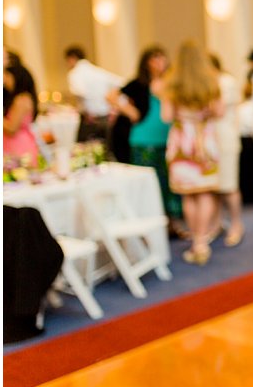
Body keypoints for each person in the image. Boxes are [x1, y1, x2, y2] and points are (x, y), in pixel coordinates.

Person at [109, 45, 184, 235]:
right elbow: (111, 95)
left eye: (161, 57)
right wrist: (130, 112)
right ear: (146, 63)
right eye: (154, 58)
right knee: (151, 183)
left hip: (168, 139)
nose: (159, 62)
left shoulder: (171, 82)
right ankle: (153, 225)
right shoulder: (139, 83)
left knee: (170, 184)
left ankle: (172, 223)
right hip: (144, 139)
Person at [161, 41, 223, 266]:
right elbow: (220, 111)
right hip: (204, 141)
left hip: (182, 142)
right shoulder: (211, 81)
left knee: (189, 194)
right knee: (205, 192)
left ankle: (196, 240)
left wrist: (183, 115)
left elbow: (166, 116)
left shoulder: (172, 84)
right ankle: (202, 240)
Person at [209, 54, 244, 247]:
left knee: (229, 185)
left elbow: (218, 110)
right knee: (213, 187)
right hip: (211, 140)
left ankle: (236, 224)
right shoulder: (212, 83)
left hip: (226, 139)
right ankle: (216, 223)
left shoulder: (226, 82)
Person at [64, 46, 124, 144]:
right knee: (104, 150)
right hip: (105, 117)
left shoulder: (74, 73)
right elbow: (120, 82)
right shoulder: (96, 71)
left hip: (89, 119)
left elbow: (79, 91)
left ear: (72, 58)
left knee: (83, 151)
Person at [4, 56, 40, 163]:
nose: (5, 80)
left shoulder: (21, 100)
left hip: (18, 146)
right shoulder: (21, 98)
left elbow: (12, 128)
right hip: (17, 143)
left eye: (7, 76)